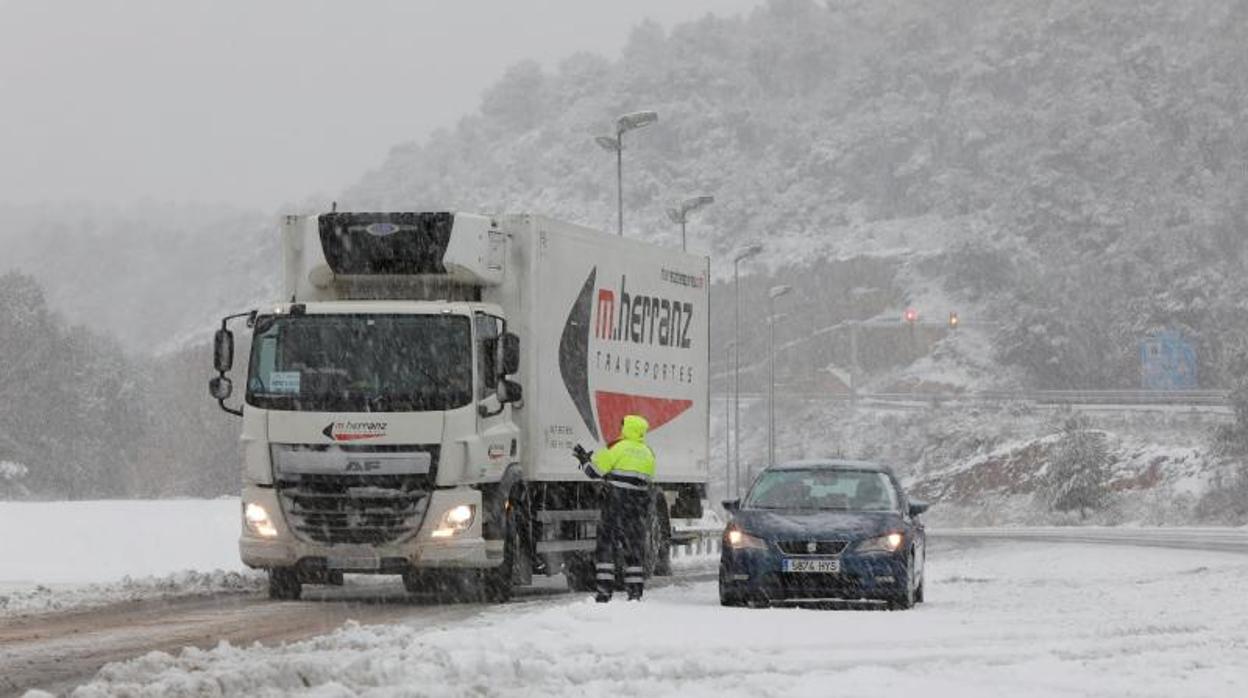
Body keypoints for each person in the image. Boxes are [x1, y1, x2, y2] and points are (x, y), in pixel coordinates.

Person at [572, 414, 656, 602]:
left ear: (627, 429)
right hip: (637, 507)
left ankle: (604, 591)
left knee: (605, 545)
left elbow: (595, 472)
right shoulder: (648, 452)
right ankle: (635, 592)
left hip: (615, 504)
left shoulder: (617, 448)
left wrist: (584, 459)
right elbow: (648, 479)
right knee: (634, 548)